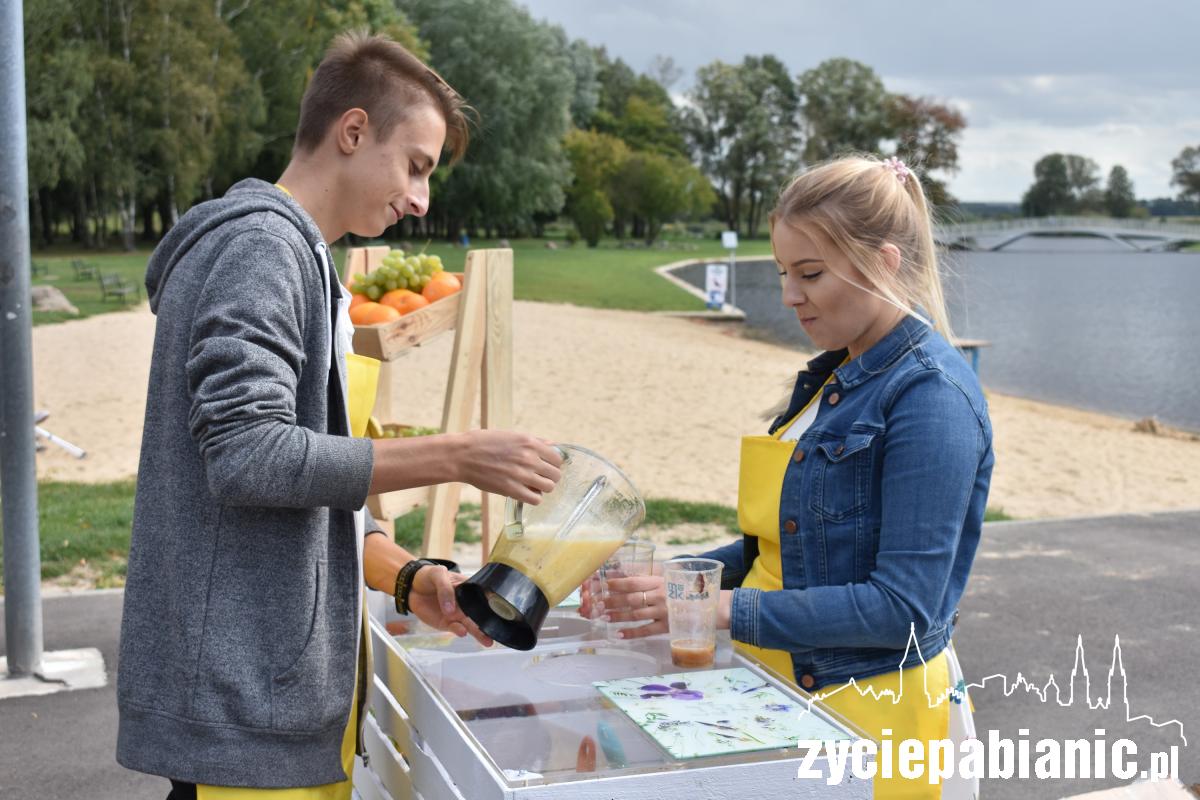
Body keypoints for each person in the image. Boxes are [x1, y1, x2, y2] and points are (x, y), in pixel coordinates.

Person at [116, 31, 563, 798]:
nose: (422, 199)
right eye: (416, 166)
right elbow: (249, 455)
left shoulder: (296, 256)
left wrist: (408, 575)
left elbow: (305, 487)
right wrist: (453, 456)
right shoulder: (263, 249)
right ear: (353, 132)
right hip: (244, 713)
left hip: (264, 708)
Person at [593, 155, 994, 799]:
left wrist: (718, 608)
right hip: (782, 702)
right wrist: (677, 578)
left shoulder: (932, 397)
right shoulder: (832, 378)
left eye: (810, 273)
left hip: (877, 718)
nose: (788, 295)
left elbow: (905, 610)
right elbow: (783, 548)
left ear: (884, 264)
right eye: (784, 272)